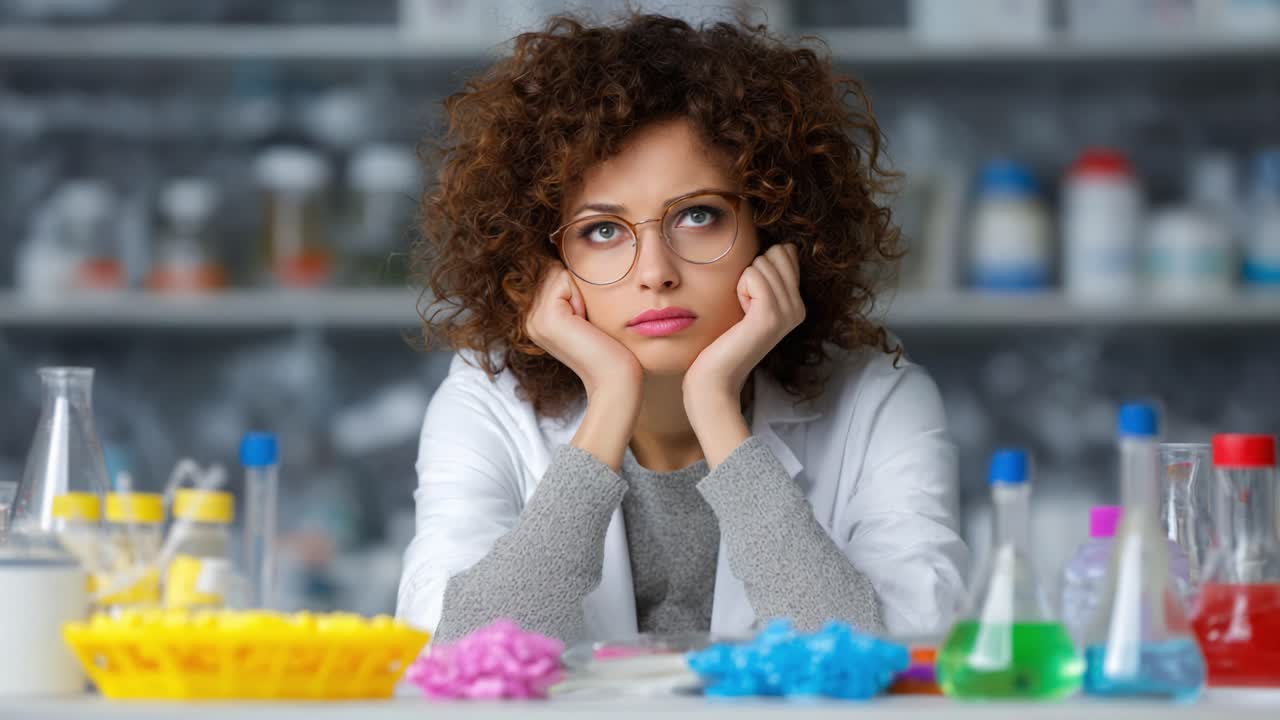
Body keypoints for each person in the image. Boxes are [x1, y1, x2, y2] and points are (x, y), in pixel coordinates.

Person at [397, 13, 967, 644]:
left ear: (776, 229)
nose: (656, 272)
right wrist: (612, 402)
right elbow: (451, 658)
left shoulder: (879, 400)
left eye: (698, 216)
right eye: (603, 231)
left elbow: (893, 659)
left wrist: (716, 407)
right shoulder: (485, 402)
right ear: (545, 265)